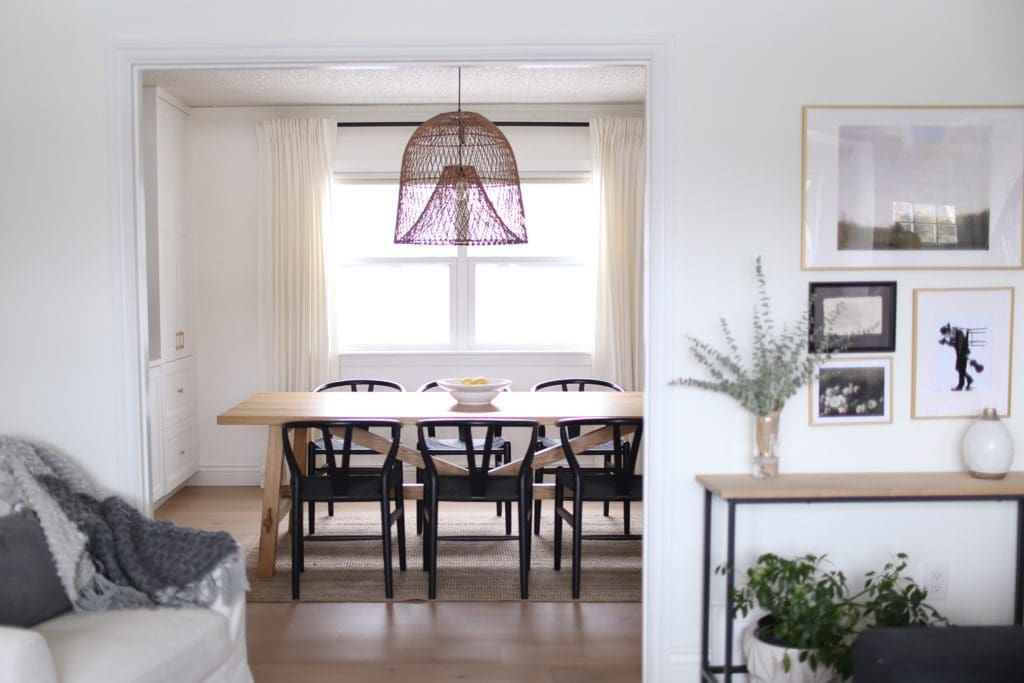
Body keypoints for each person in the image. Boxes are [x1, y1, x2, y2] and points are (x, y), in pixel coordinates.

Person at [939, 323, 983, 391]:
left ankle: (960, 386)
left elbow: (959, 343)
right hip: (960, 354)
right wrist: (945, 342)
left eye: (945, 334)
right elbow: (953, 344)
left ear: (947, 331)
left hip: (962, 353)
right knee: (958, 369)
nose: (946, 335)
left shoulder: (957, 332)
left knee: (961, 370)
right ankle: (969, 379)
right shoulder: (952, 334)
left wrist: (962, 354)